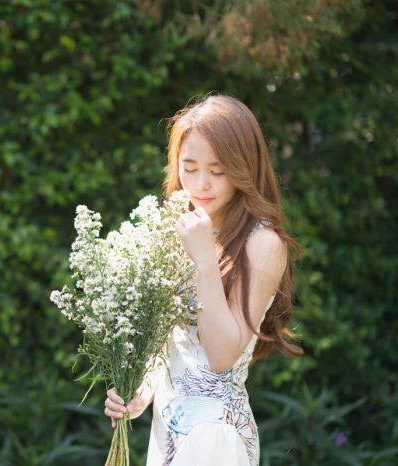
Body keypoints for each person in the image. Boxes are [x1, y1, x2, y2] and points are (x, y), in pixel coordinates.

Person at [103, 95, 303, 466]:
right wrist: (139, 392)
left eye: (218, 170)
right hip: (170, 429)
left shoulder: (262, 242)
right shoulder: (180, 229)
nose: (201, 183)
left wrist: (204, 260)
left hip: (214, 435)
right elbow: (169, 342)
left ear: (244, 168)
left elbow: (222, 356)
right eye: (190, 167)